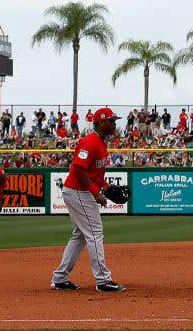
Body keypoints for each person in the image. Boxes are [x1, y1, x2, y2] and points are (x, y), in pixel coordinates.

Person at [50, 107, 126, 292]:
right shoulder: (89, 142)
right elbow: (78, 169)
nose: (115, 124)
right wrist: (96, 193)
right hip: (77, 191)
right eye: (111, 121)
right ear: (101, 123)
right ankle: (103, 280)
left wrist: (105, 187)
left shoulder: (101, 142)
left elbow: (94, 173)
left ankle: (60, 278)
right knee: (95, 233)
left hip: (80, 191)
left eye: (115, 121)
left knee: (80, 236)